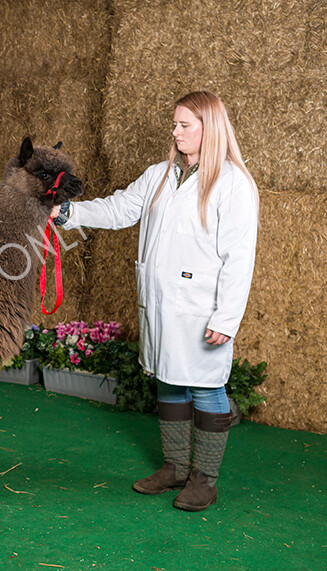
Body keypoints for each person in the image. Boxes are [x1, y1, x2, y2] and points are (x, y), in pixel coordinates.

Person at [53, 91, 258, 511]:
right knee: (168, 379)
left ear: (210, 128)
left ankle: (205, 479)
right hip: (162, 301)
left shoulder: (233, 184)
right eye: (175, 124)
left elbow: (240, 257)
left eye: (185, 125)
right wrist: (68, 213)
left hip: (202, 306)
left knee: (205, 387)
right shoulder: (160, 174)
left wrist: (227, 317)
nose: (176, 131)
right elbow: (119, 209)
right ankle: (175, 468)